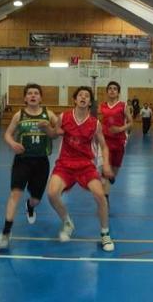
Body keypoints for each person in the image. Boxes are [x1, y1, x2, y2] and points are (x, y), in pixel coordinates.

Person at [47, 86, 115, 251]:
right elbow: (54, 134)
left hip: (85, 164)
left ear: (90, 102)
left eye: (86, 96)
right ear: (75, 100)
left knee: (100, 196)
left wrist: (106, 164)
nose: (83, 97)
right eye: (80, 95)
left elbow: (104, 146)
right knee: (51, 193)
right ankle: (67, 223)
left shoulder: (95, 123)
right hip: (65, 163)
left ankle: (105, 234)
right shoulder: (64, 117)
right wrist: (48, 128)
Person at [0, 84, 58, 249]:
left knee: (36, 200)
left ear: (41, 98)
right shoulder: (19, 115)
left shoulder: (49, 114)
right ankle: (6, 232)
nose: (33, 95)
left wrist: (48, 128)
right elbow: (7, 134)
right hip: (22, 160)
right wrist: (12, 143)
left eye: (36, 93)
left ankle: (30, 206)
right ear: (25, 98)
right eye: (29, 93)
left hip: (41, 162)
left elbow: (55, 134)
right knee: (15, 194)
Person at [99, 81, 133, 206]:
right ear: (107, 91)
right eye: (110, 88)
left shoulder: (123, 106)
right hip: (105, 141)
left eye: (115, 89)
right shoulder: (102, 106)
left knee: (115, 168)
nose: (112, 90)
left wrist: (119, 129)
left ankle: (112, 175)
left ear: (118, 92)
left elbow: (130, 122)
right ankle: (105, 197)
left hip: (119, 140)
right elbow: (98, 122)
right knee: (106, 170)